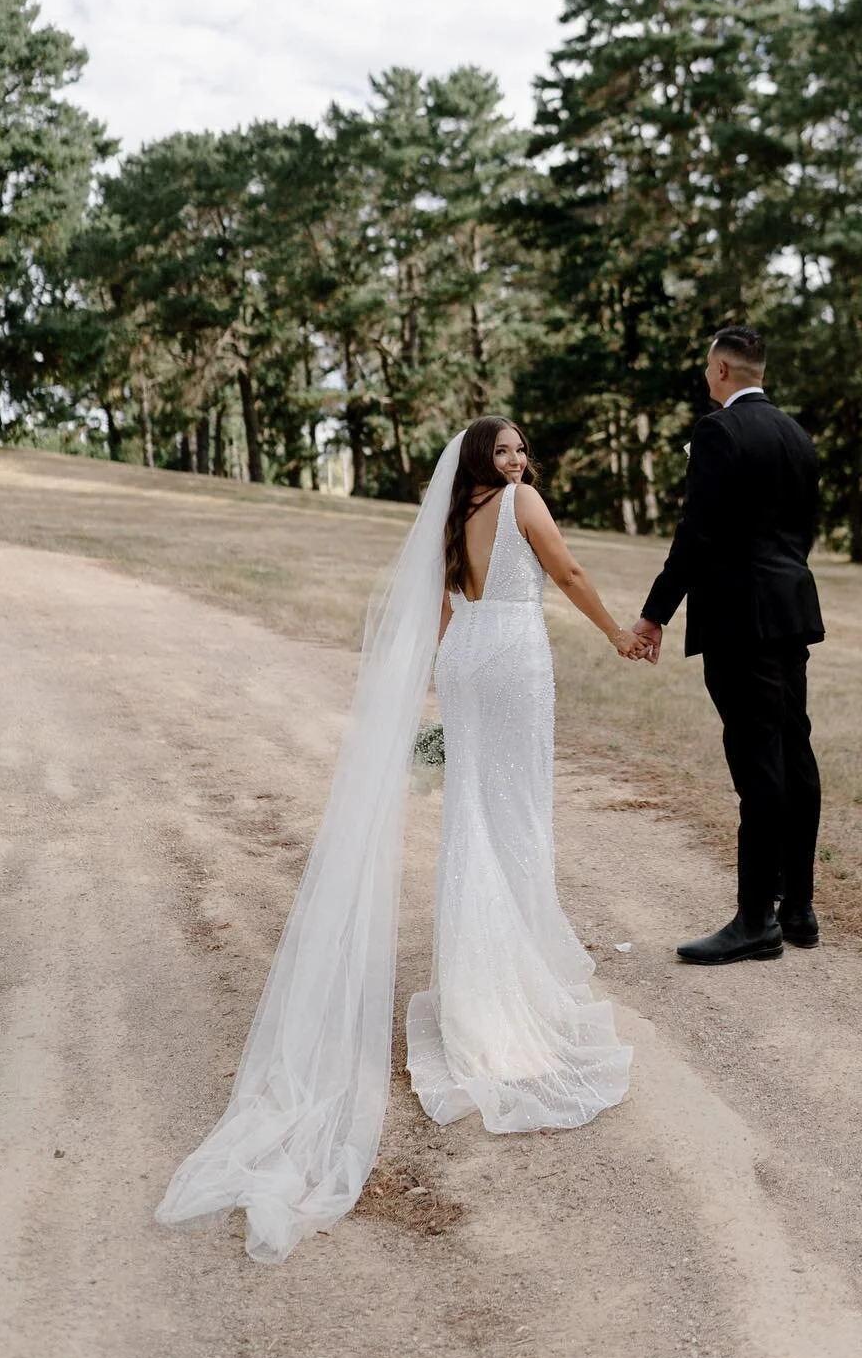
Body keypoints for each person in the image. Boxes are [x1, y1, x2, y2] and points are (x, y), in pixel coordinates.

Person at [156, 418, 642, 1264]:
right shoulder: (522, 504)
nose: (518, 461)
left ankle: (476, 986)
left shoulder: (454, 520)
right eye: (504, 450)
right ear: (481, 459)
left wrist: (450, 686)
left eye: (521, 450)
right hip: (514, 659)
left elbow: (445, 613)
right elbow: (566, 571)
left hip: (467, 662)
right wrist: (616, 632)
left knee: (473, 820)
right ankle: (504, 992)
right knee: (514, 816)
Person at [633, 326, 825, 965]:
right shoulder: (797, 435)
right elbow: (801, 531)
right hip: (791, 609)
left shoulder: (719, 431)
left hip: (741, 619)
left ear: (720, 370)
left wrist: (655, 614)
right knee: (794, 752)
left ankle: (755, 920)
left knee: (758, 760)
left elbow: (698, 533)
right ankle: (798, 909)